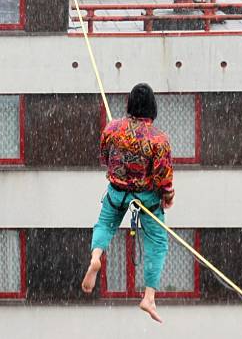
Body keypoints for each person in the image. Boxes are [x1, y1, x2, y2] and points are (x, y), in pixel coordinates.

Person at [81, 83, 174, 324]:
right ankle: (149, 296)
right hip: (146, 198)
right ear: (152, 107)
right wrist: (168, 198)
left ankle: (96, 255)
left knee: (104, 224)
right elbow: (163, 178)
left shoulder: (112, 128)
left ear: (130, 104)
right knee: (157, 241)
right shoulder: (159, 139)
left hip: (117, 191)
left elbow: (104, 158)